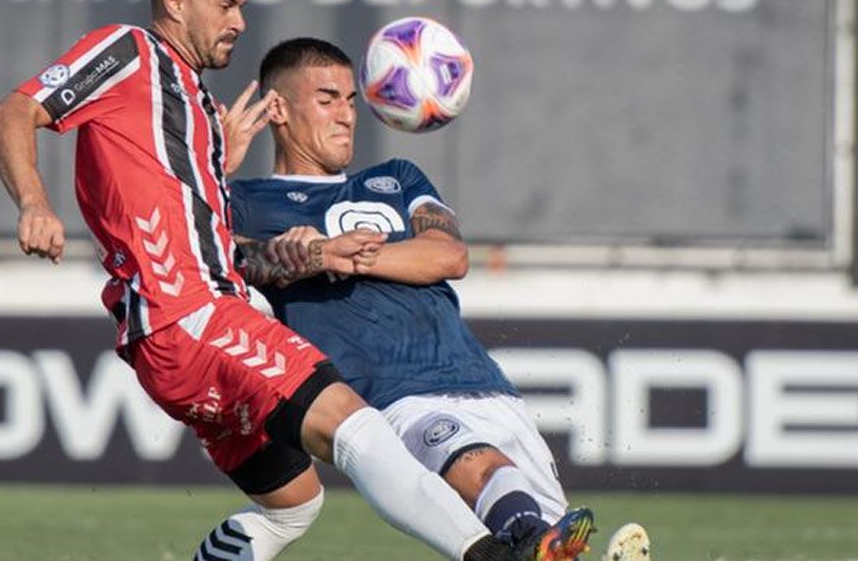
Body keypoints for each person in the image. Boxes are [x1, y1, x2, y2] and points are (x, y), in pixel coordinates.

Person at [0, 0, 559, 561]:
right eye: (226, 3)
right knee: (355, 425)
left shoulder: (195, 103)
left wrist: (233, 188)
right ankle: (495, 555)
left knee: (293, 504)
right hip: (196, 313)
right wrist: (34, 202)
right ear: (176, 0)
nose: (238, 19)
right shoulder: (131, 52)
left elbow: (192, 225)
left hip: (169, 335)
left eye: (242, 5)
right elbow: (12, 113)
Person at [229, 38, 630, 560]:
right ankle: (531, 535)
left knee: (545, 542)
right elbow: (211, 259)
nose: (347, 116)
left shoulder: (395, 178)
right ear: (278, 108)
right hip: (390, 396)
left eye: (351, 100)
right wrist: (211, 166)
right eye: (327, 99)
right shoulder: (244, 200)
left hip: (483, 383)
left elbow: (447, 256)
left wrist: (341, 257)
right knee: (489, 478)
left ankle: (537, 540)